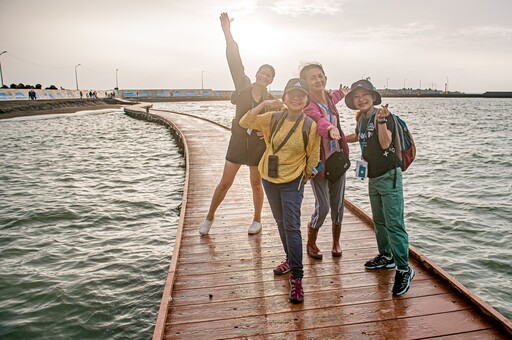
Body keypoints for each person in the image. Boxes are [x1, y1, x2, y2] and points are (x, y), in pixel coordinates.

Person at [240, 78, 321, 304]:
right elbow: (245, 121)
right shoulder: (273, 118)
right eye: (291, 94)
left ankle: (297, 277)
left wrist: (305, 176)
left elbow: (313, 155)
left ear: (306, 100)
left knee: (292, 226)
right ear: (284, 97)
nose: (296, 98)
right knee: (279, 222)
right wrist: (265, 105)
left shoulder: (309, 125)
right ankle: (289, 259)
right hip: (268, 176)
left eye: (301, 95)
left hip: (292, 181)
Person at [199, 12, 276, 235]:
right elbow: (234, 60)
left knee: (255, 183)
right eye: (262, 72)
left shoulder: (271, 101)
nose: (264, 76)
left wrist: (267, 135)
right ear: (256, 74)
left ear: (271, 80)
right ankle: (209, 218)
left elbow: (278, 123)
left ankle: (257, 219)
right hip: (238, 140)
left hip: (257, 146)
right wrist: (227, 32)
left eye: (268, 75)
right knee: (225, 182)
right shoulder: (243, 85)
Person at [344, 79, 414, 296]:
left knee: (394, 223)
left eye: (365, 95)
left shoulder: (384, 116)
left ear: (373, 97)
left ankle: (404, 268)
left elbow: (385, 143)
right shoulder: (362, 118)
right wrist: (337, 138)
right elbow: (360, 136)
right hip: (373, 176)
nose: (361, 99)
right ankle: (386, 256)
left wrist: (382, 122)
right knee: (380, 220)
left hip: (389, 175)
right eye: (356, 96)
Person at [299, 63, 349, 259]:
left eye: (321, 76)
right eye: (313, 78)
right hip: (320, 163)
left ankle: (336, 241)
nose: (318, 80)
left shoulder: (328, 98)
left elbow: (333, 98)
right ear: (306, 83)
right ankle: (311, 242)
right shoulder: (308, 105)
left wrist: (341, 93)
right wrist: (329, 129)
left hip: (337, 159)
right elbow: (320, 120)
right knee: (324, 206)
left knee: (338, 205)